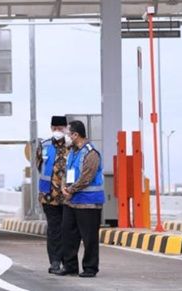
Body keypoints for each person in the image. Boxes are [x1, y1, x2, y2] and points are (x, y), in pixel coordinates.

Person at [58, 120, 104, 278]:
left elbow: (87, 177)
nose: (66, 137)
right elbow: (67, 172)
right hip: (71, 202)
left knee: (89, 237)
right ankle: (70, 266)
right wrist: (64, 187)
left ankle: (90, 268)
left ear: (76, 135)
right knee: (68, 234)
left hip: (88, 202)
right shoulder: (72, 152)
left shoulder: (91, 153)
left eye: (68, 134)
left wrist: (71, 190)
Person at [36, 115, 69, 274]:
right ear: (51, 128)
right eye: (55, 128)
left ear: (66, 128)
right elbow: (38, 166)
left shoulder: (71, 146)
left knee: (67, 229)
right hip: (48, 195)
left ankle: (66, 261)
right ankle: (54, 261)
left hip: (67, 196)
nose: (57, 131)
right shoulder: (43, 145)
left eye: (60, 128)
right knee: (54, 229)